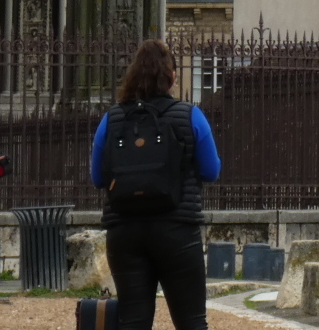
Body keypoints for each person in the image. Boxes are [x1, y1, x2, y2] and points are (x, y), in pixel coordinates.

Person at [89, 40, 222, 330]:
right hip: (176, 227)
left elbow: (98, 177)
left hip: (125, 231)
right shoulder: (190, 115)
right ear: (171, 77)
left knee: (133, 321)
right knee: (191, 322)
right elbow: (211, 171)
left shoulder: (111, 119)